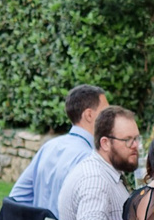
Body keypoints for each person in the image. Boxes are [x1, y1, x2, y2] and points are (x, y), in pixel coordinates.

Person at [9, 84, 105, 212]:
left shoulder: (49, 146)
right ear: (89, 115)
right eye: (105, 112)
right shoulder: (90, 158)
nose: (110, 118)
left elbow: (16, 199)